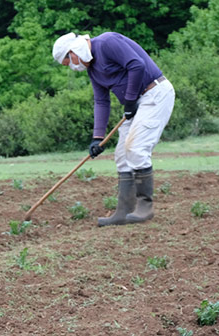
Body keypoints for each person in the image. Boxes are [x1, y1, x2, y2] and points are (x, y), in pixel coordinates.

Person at [52, 32, 175, 225]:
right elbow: (101, 101)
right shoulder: (93, 70)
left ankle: (145, 206)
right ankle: (124, 210)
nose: (74, 68)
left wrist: (130, 99)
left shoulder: (107, 42)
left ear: (73, 51)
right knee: (121, 154)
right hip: (135, 103)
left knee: (136, 148)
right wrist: (97, 138)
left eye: (70, 62)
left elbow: (136, 65)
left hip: (155, 93)